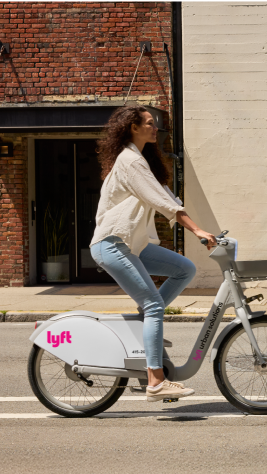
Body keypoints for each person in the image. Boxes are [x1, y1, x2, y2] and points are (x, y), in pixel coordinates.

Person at [90, 105, 218, 402]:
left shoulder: (140, 161)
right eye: (149, 123)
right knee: (154, 307)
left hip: (133, 245)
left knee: (185, 269)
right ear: (133, 127)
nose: (154, 127)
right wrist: (197, 230)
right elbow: (163, 203)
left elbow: (169, 196)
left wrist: (204, 229)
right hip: (112, 244)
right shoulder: (129, 160)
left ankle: (145, 319)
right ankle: (156, 381)